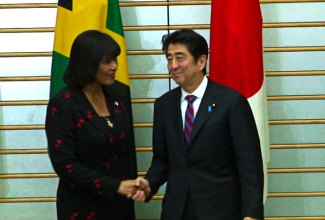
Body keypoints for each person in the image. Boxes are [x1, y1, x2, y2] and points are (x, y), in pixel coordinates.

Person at [132, 29, 264, 220]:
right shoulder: (164, 105)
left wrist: (251, 214)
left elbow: (249, 164)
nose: (173, 65)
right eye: (169, 59)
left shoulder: (231, 102)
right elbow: (162, 159)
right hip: (177, 211)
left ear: (201, 61)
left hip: (221, 211)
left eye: (180, 58)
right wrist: (148, 184)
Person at [45, 30, 138, 219]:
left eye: (115, 60)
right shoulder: (64, 104)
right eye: (107, 61)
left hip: (121, 206)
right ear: (87, 63)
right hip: (83, 208)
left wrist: (135, 185)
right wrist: (115, 186)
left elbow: (126, 152)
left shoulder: (118, 96)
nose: (115, 66)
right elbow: (65, 165)